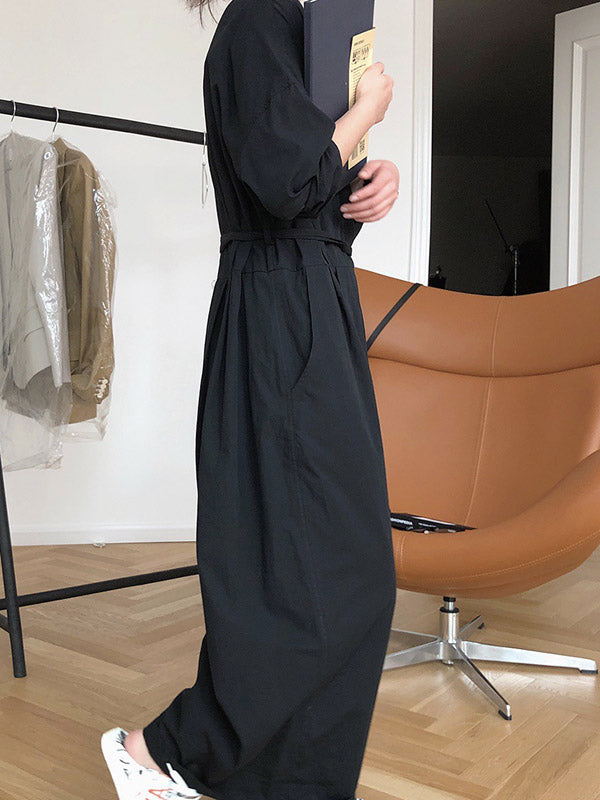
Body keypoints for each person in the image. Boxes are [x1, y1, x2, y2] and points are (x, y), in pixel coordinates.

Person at [101, 0, 400, 797]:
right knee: (307, 571)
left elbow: (311, 189)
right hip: (284, 304)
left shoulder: (295, 29)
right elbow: (285, 179)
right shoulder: (258, 21)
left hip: (313, 290)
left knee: (344, 572)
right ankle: (162, 753)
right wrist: (367, 110)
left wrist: (373, 181)